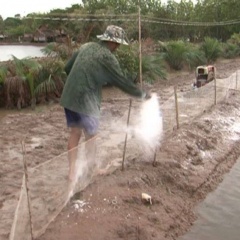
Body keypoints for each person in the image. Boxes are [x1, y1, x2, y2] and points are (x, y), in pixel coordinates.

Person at [60, 25, 150, 182]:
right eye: (118, 44)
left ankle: (72, 173)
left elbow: (67, 67)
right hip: (87, 100)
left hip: (70, 95)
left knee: (75, 133)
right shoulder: (108, 57)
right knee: (91, 136)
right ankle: (91, 170)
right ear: (114, 43)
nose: (118, 47)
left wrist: (79, 79)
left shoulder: (86, 46)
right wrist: (142, 95)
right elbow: (122, 82)